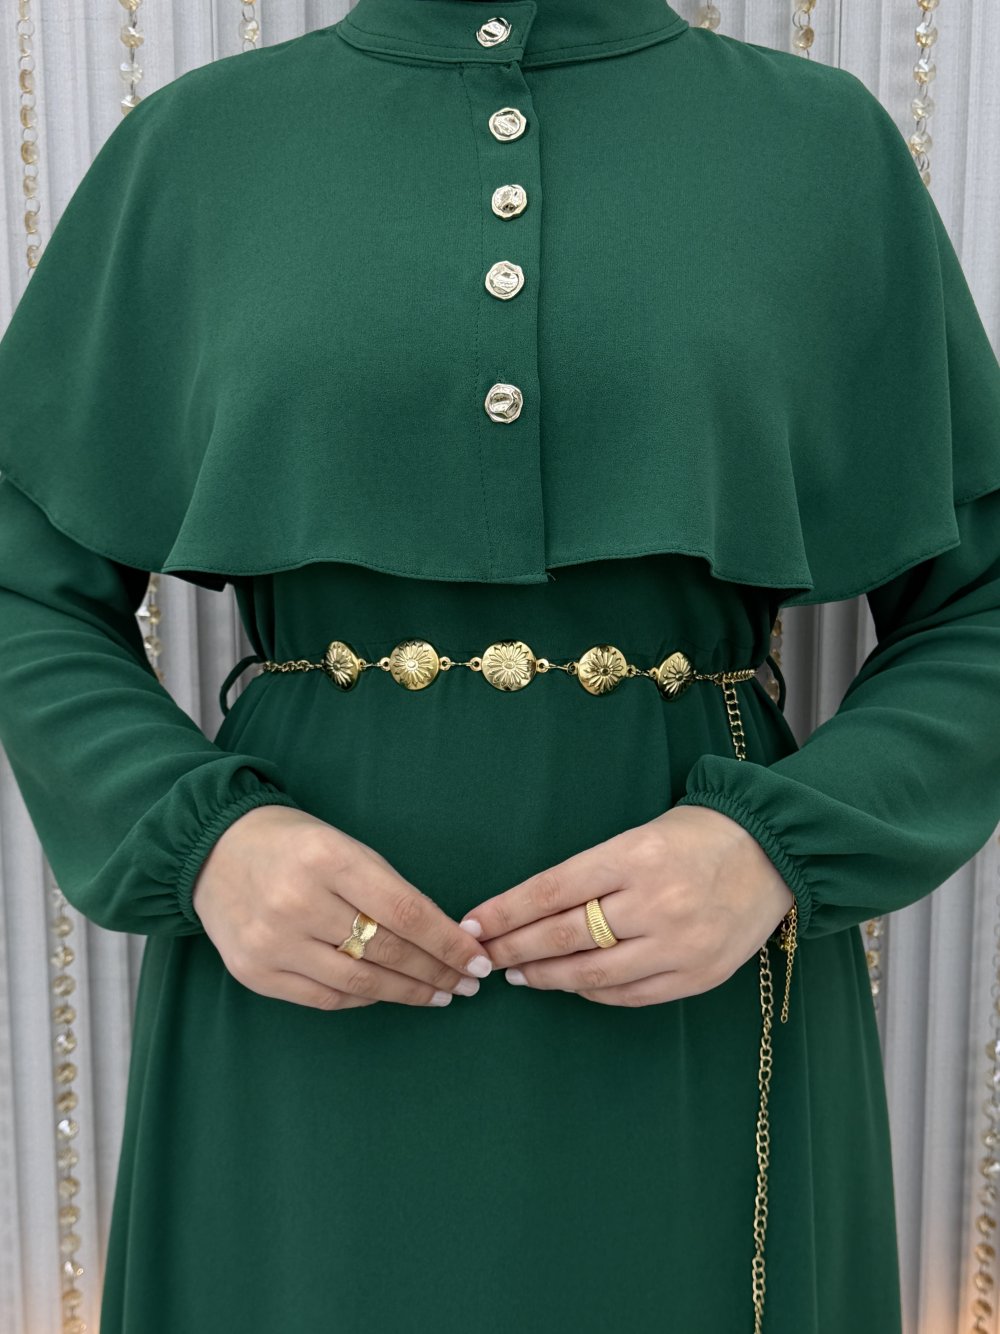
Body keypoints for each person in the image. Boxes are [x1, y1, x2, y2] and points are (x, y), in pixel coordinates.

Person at [0, 1, 998, 1329]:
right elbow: (25, 576)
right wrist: (199, 843)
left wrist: (779, 846)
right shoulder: (194, 151)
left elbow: (980, 602)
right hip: (298, 1002)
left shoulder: (820, 152)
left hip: (700, 1011)